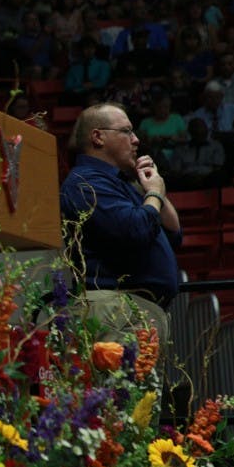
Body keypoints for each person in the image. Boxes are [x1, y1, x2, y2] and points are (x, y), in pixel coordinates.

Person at [60, 102, 182, 344]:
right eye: (126, 131)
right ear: (98, 137)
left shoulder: (122, 184)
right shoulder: (86, 182)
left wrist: (155, 187)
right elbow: (136, 230)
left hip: (136, 311)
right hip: (115, 311)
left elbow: (174, 234)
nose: (136, 140)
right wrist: (154, 194)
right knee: (115, 382)